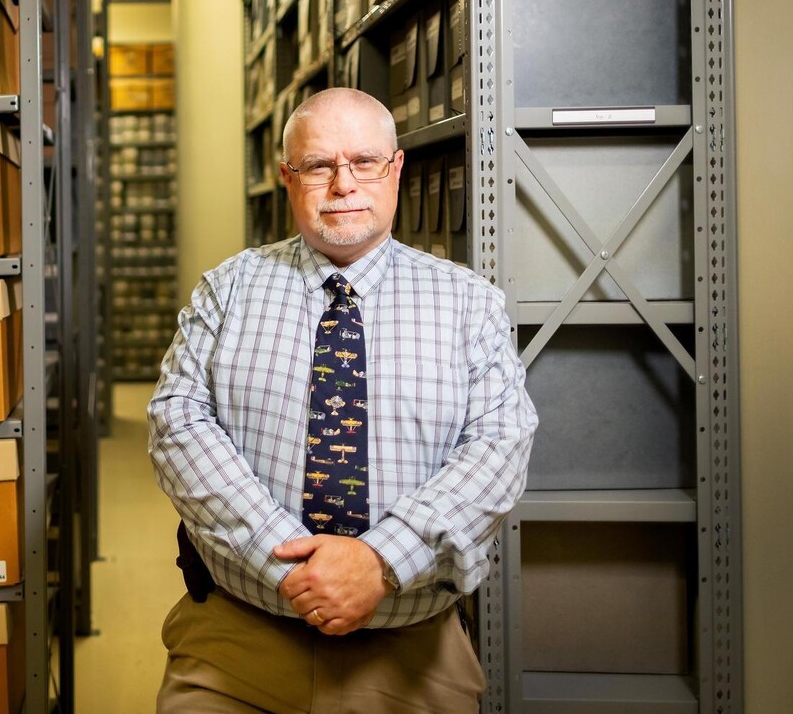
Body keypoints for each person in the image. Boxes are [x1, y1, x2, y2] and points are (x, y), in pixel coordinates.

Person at [148, 87, 538, 713]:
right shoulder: (228, 291)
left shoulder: (468, 303)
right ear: (286, 177)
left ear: (396, 168)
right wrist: (294, 570)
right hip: (236, 638)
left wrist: (380, 561)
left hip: (410, 649)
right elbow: (178, 427)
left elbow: (499, 447)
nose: (343, 184)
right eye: (319, 166)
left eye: (364, 162)